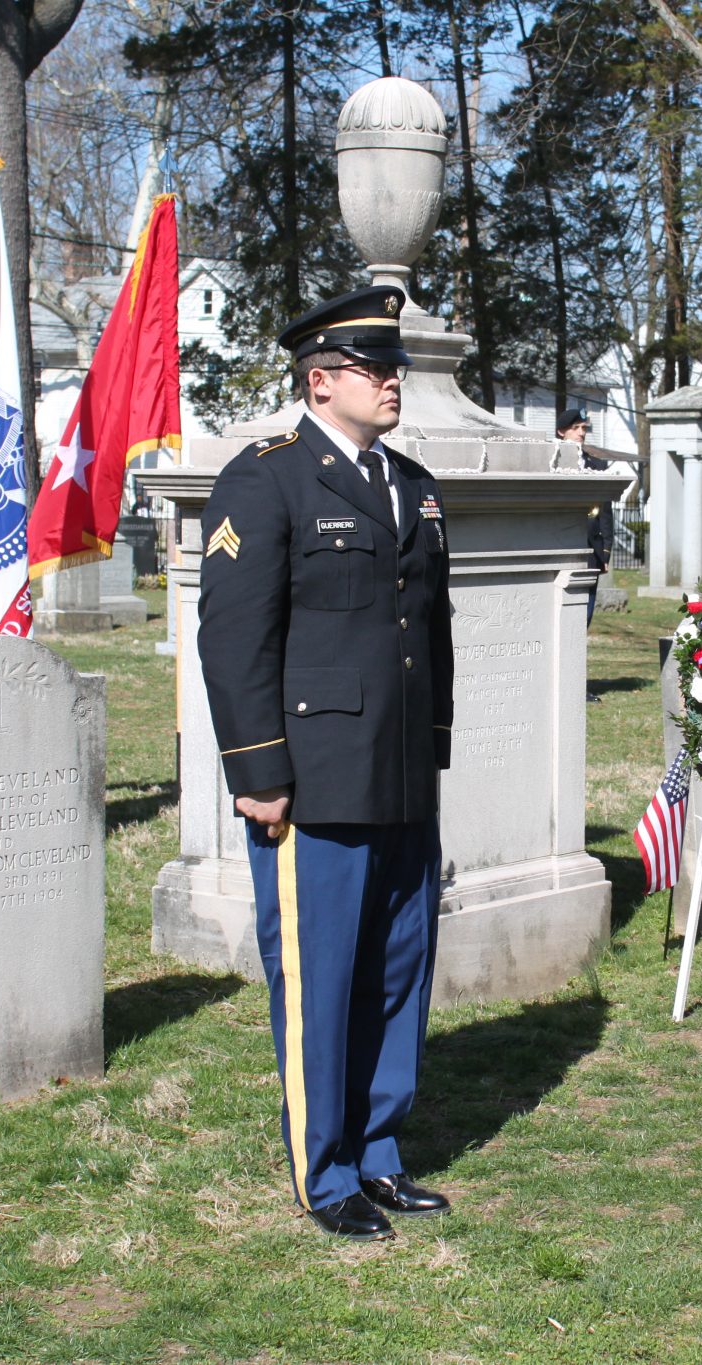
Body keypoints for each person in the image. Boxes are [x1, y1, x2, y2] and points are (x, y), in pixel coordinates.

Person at [196, 285, 455, 1241]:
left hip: (398, 780)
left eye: (395, 368)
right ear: (320, 378)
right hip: (311, 780)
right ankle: (325, 1169)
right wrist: (258, 770)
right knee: (320, 978)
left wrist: (433, 753)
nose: (393, 382)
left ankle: (380, 1151)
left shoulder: (413, 483)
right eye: (374, 368)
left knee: (397, 970)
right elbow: (234, 636)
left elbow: (431, 632)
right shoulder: (266, 479)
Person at [560, 406, 612, 698]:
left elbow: (605, 512)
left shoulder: (595, 466)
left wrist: (605, 551)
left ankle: (578, 684)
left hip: (590, 552)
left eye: (583, 429)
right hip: (562, 547)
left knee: (584, 618)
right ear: (562, 432)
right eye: (576, 428)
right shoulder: (553, 463)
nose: (581, 433)